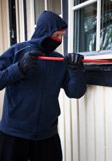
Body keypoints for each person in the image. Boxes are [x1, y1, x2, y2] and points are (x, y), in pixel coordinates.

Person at [0, 10, 87, 161]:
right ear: (44, 32)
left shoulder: (59, 61)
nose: (59, 40)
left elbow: (75, 92)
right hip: (14, 133)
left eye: (61, 36)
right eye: (56, 35)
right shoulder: (17, 51)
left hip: (47, 135)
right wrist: (19, 68)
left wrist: (76, 70)